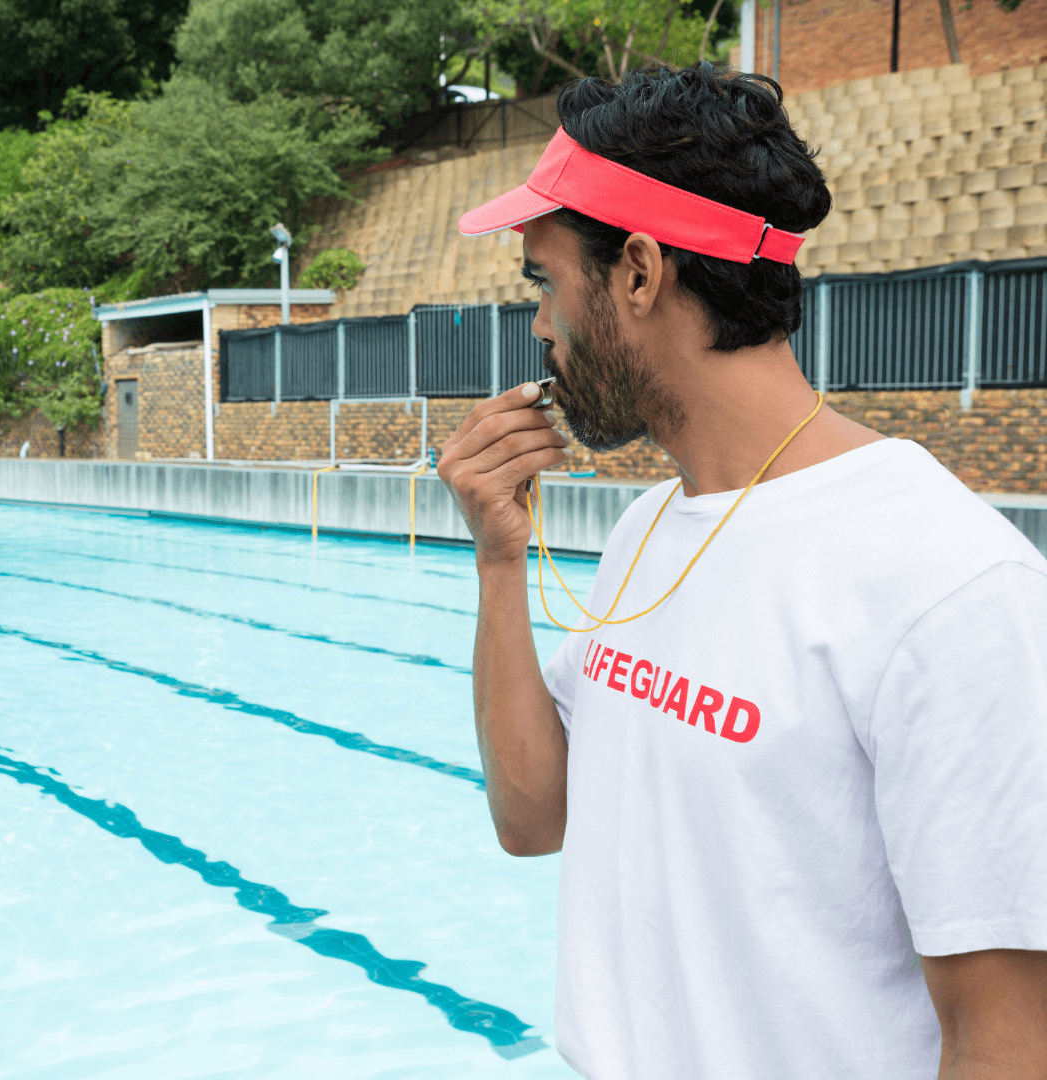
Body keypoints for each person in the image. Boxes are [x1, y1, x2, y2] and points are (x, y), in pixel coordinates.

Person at [436, 64, 1047, 1080]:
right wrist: (500, 563)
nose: (539, 325)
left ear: (638, 270)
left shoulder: (950, 589)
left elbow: (1011, 1037)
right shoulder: (648, 529)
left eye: (545, 282)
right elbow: (533, 819)